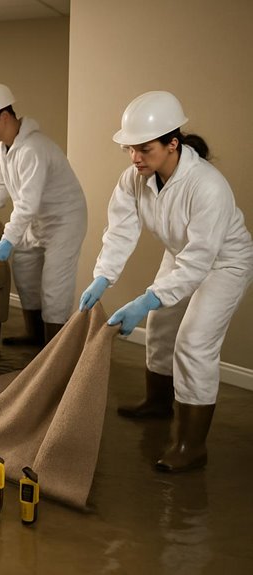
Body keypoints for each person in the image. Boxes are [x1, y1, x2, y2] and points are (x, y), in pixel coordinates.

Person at [80, 90, 253, 472]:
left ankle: (192, 445)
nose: (135, 158)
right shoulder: (135, 179)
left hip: (223, 263)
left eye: (144, 149)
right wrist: (103, 276)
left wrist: (146, 298)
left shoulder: (208, 185)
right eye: (129, 148)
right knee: (159, 327)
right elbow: (120, 231)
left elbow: (199, 262)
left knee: (193, 343)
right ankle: (158, 404)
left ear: (173, 143)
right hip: (182, 253)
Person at [0, 84, 87, 347]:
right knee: (25, 271)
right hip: (36, 219)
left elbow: (27, 204)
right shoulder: (3, 148)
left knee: (54, 285)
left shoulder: (34, 148)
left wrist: (7, 239)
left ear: (4, 117)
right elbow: (2, 187)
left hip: (64, 220)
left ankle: (54, 351)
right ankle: (35, 335)